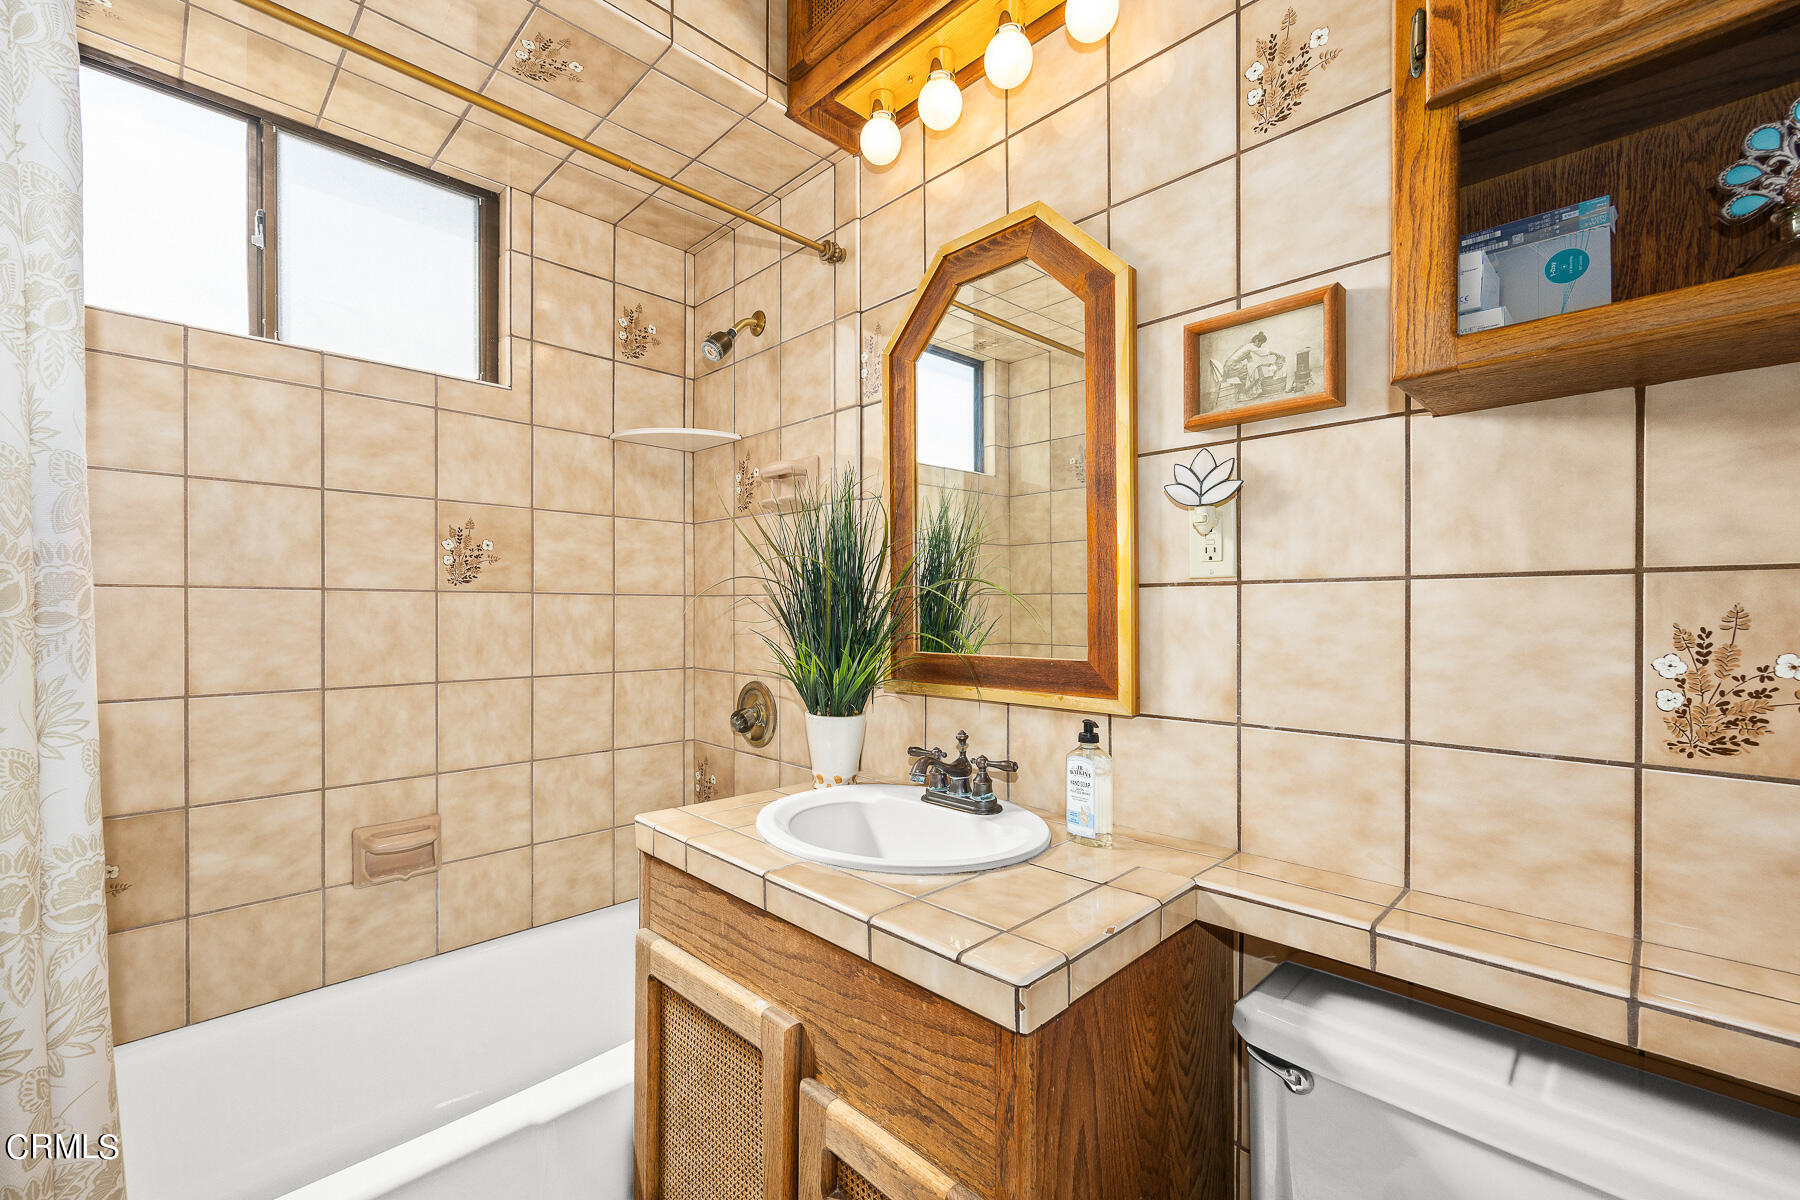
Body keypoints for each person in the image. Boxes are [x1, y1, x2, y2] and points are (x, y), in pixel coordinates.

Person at [1221, 332, 1285, 398]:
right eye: (1261, 344)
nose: (1260, 346)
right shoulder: (1250, 347)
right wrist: (1275, 353)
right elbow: (1261, 352)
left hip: (1232, 366)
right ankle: (1246, 392)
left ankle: (1246, 392)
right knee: (1252, 371)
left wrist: (1265, 365)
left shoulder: (1248, 347)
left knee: (1253, 369)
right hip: (1231, 367)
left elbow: (1251, 362)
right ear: (1257, 341)